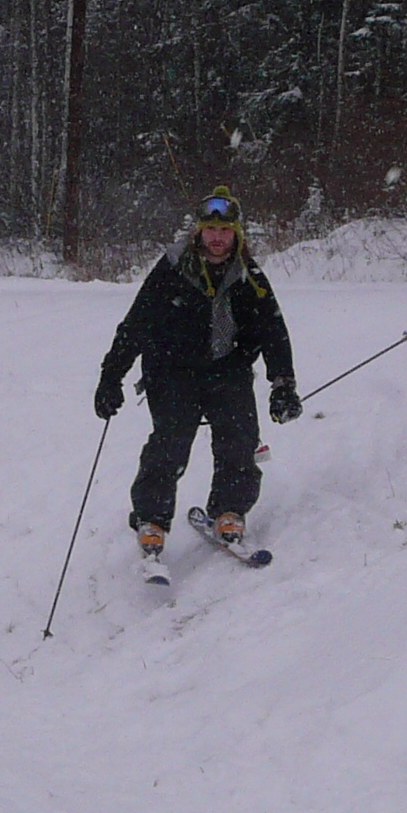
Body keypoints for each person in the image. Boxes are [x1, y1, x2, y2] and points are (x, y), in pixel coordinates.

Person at [94, 187, 301, 563]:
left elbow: (273, 330)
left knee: (239, 439)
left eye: (225, 231)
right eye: (211, 230)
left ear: (236, 234)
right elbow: (136, 324)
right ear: (199, 232)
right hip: (172, 371)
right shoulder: (173, 268)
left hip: (228, 369)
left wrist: (283, 384)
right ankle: (151, 519)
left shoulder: (248, 275)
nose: (218, 238)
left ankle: (229, 512)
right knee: (170, 443)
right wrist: (111, 377)